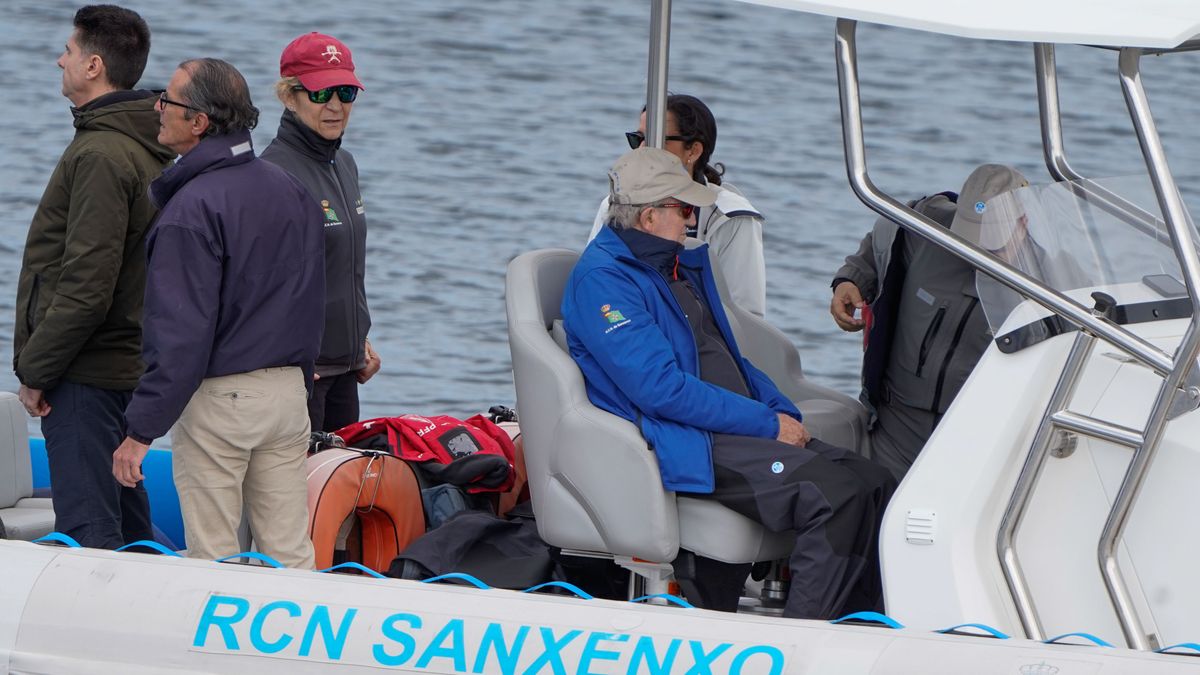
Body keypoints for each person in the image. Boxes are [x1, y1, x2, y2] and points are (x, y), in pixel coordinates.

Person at [564, 147, 894, 619]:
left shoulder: (676, 267)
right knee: (833, 496)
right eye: (684, 208)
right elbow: (660, 390)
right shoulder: (604, 281)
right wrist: (765, 425)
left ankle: (860, 628)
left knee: (875, 482)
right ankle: (801, 642)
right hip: (685, 437)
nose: (693, 217)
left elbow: (730, 361)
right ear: (650, 216)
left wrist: (782, 413)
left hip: (731, 426)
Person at [111, 58, 325, 569]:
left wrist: (140, 432)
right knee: (291, 554)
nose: (158, 107)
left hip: (223, 400)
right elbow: (316, 298)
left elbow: (180, 335)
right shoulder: (291, 189)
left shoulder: (192, 209)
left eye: (168, 100)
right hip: (288, 394)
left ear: (199, 122)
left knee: (213, 559)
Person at [13, 5, 171, 549]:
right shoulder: (142, 145)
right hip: (125, 368)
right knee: (129, 530)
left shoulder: (102, 152)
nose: (60, 59)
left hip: (85, 376)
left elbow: (86, 286)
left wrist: (36, 370)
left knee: (90, 535)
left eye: (70, 51)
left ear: (93, 66)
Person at [830, 164, 1031, 480]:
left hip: (976, 437)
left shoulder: (1053, 279)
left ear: (1023, 222)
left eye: (991, 239)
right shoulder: (927, 223)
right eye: (970, 234)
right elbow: (880, 246)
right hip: (899, 420)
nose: (977, 250)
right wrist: (851, 281)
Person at [261, 32, 379, 433]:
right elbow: (259, 283)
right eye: (320, 93)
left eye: (345, 92)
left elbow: (341, 266)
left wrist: (358, 338)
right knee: (295, 495)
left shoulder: (344, 163)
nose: (335, 106)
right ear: (288, 95)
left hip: (346, 369)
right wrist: (284, 356)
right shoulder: (273, 174)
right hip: (299, 375)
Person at [588, 95, 768, 317]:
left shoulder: (731, 218)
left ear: (693, 151)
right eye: (638, 139)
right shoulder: (615, 203)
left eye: (656, 141)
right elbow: (595, 280)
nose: (643, 150)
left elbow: (745, 315)